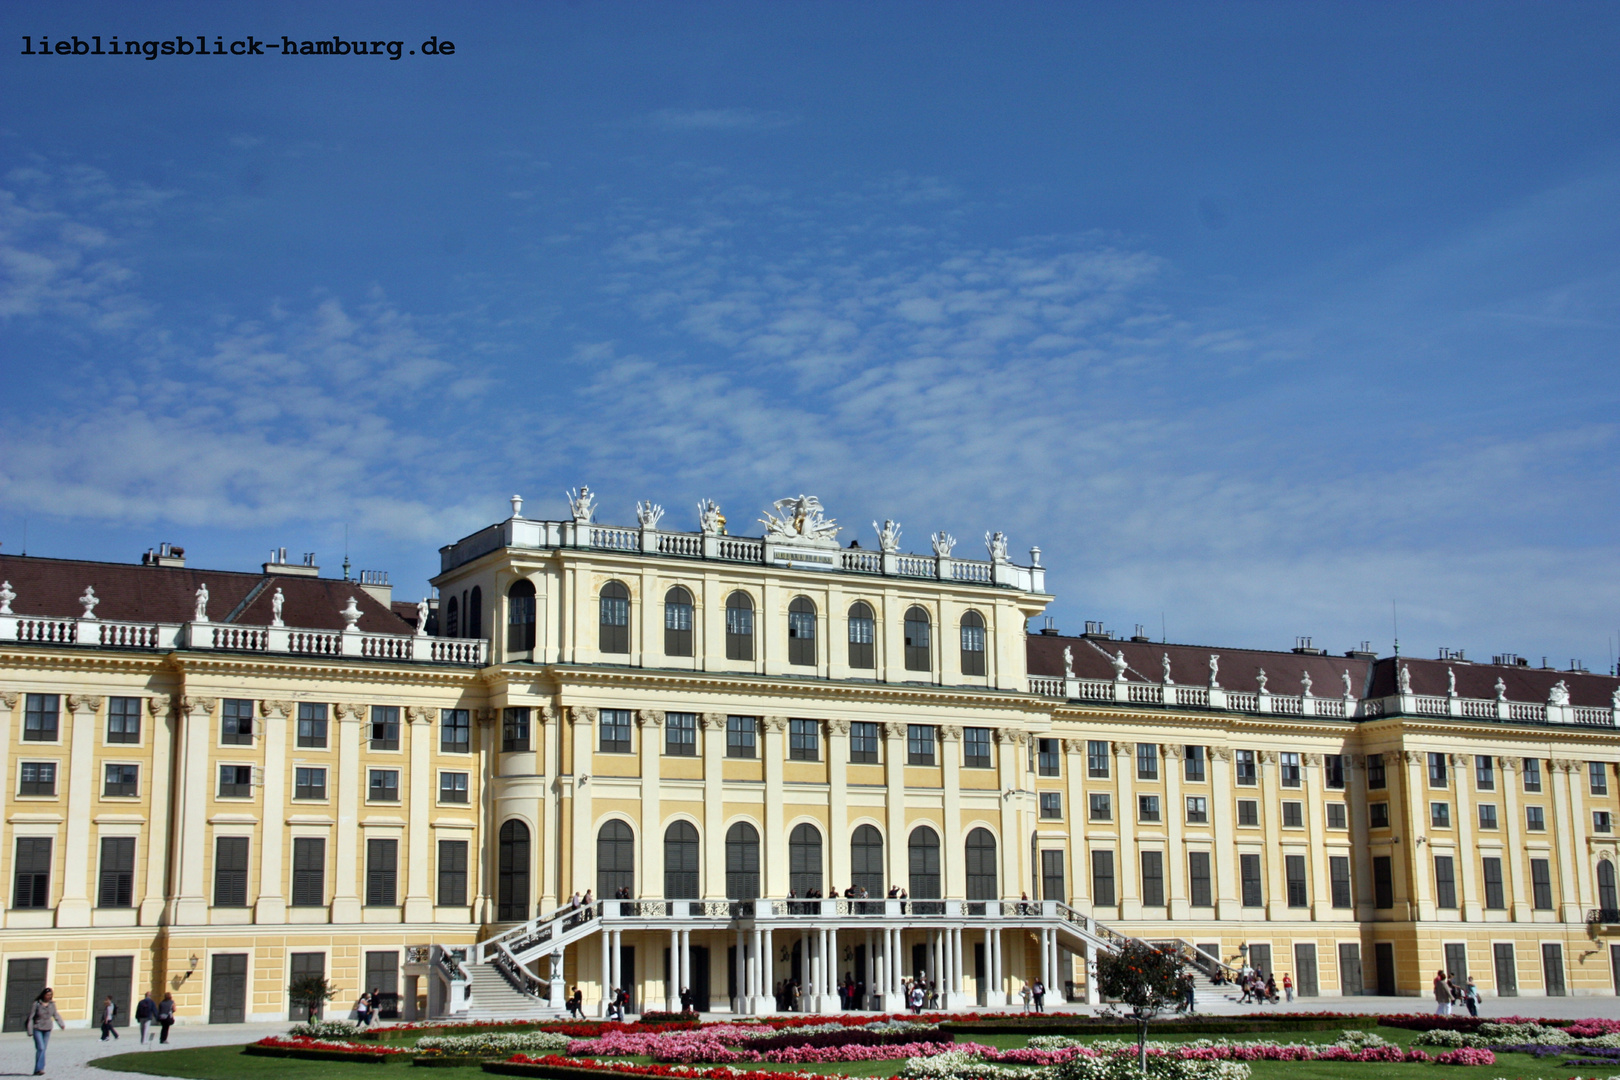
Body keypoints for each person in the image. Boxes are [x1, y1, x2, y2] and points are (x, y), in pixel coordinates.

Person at [26, 988, 64, 1074]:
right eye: (47, 995)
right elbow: (31, 1017)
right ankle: (39, 1068)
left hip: (47, 1028)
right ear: (43, 995)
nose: (49, 996)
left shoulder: (52, 1004)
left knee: (43, 1049)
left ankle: (39, 1069)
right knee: (41, 1048)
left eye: (50, 995)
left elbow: (56, 1014)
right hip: (37, 1028)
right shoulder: (37, 1004)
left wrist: (61, 1023)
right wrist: (30, 1030)